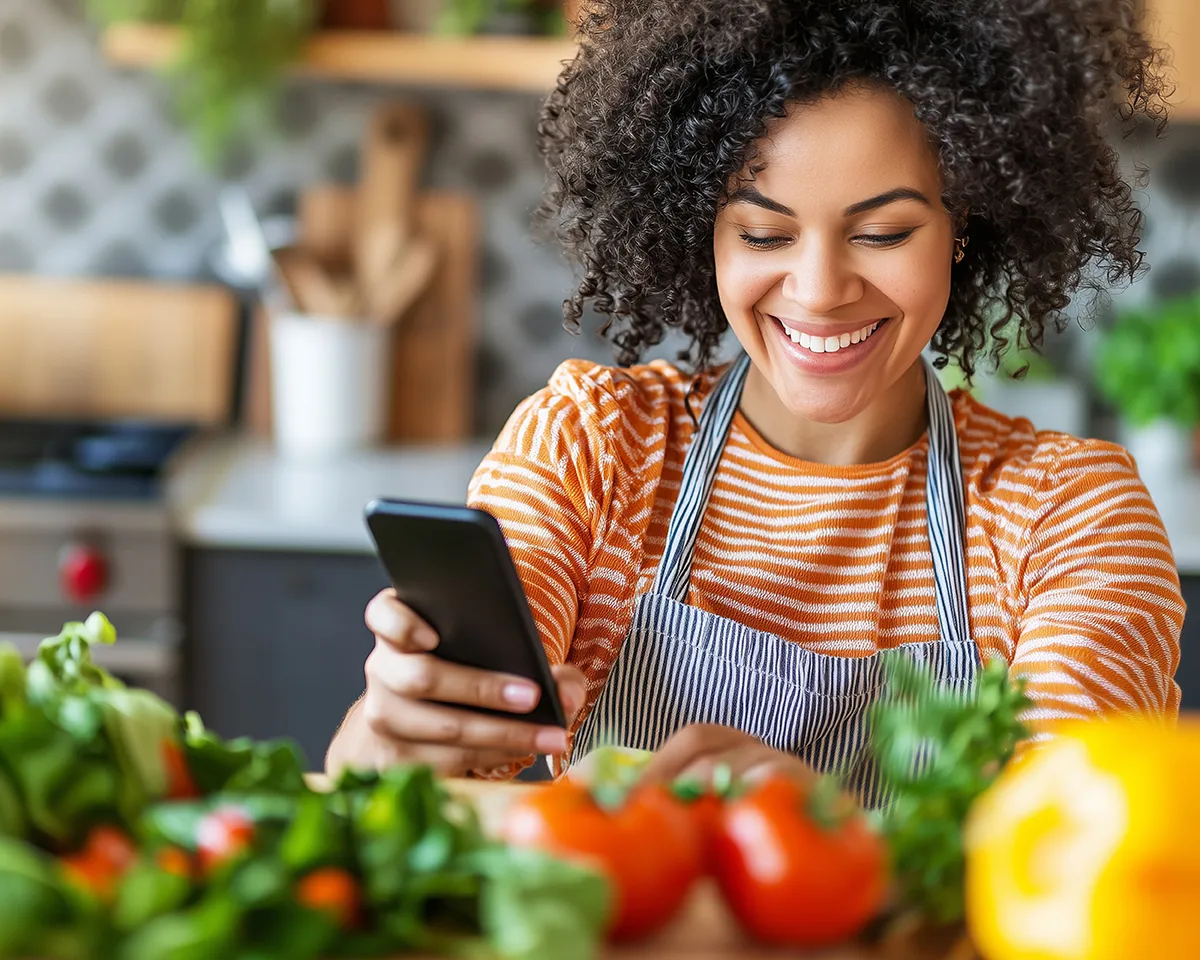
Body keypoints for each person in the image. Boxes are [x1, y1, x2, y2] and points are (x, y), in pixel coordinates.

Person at [326, 0, 1182, 801]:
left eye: (883, 233)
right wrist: (391, 734)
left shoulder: (1068, 517)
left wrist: (827, 833)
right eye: (764, 233)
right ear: (701, 225)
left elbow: (1067, 848)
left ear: (971, 228)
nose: (817, 292)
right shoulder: (593, 447)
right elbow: (412, 772)